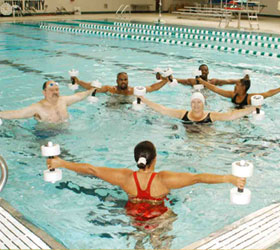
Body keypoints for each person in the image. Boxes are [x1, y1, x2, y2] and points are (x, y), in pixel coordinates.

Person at [47, 140, 245, 223]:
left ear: (137, 159)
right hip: (160, 215)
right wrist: (230, 178)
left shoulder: (125, 178)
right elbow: (198, 178)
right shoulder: (164, 179)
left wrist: (62, 162)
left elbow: (91, 169)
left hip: (133, 214)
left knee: (138, 242)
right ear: (155, 159)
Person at [0, 80, 96, 123]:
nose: (55, 92)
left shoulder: (63, 100)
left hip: (65, 133)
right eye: (51, 90)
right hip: (45, 135)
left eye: (57, 89)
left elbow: (79, 96)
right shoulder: (38, 107)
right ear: (44, 92)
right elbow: (17, 114)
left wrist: (91, 90)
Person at [139, 92, 259, 124]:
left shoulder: (211, 116)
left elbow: (230, 115)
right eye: (194, 102)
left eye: (199, 102)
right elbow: (163, 109)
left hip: (205, 139)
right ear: (190, 104)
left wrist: (252, 108)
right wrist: (144, 100)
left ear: (203, 104)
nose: (196, 105)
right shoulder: (183, 114)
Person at [197, 74, 280, 107]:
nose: (234, 86)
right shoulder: (232, 95)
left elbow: (268, 93)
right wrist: (202, 81)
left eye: (237, 85)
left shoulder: (249, 98)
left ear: (243, 87)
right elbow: (216, 89)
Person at [71, 72, 169, 96]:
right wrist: (78, 81)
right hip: (113, 104)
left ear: (128, 81)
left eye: (125, 79)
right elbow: (93, 87)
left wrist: (165, 80)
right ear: (117, 81)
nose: (123, 82)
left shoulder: (133, 91)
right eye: (121, 80)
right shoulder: (110, 89)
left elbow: (152, 88)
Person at [175, 64, 240, 87]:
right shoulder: (192, 82)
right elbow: (178, 80)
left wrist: (240, 80)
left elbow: (228, 81)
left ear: (208, 72)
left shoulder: (213, 82)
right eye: (202, 70)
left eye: (205, 70)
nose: (204, 72)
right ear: (198, 72)